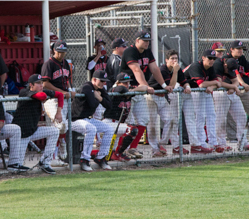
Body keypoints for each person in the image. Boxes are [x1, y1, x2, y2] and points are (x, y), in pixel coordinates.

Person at [120, 29, 171, 159]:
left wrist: (164, 85)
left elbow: (154, 68)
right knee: (128, 122)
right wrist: (146, 86)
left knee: (143, 120)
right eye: (145, 40)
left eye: (148, 41)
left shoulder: (147, 51)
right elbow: (136, 70)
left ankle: (132, 148)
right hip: (127, 90)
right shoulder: (130, 51)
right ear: (137, 40)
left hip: (139, 91)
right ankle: (120, 150)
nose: (147, 43)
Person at [10, 74, 61, 174]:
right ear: (31, 85)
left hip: (33, 130)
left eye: (42, 83)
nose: (41, 85)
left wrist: (59, 111)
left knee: (54, 131)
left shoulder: (41, 90)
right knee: (16, 167)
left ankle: (45, 163)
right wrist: (46, 96)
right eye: (38, 83)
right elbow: (41, 96)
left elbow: (60, 95)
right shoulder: (24, 91)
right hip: (21, 134)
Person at [182, 49, 227, 154]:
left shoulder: (210, 68)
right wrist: (214, 83)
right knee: (200, 117)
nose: (212, 61)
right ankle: (201, 143)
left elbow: (216, 83)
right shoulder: (196, 66)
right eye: (209, 58)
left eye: (213, 59)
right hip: (186, 91)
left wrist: (212, 86)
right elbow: (201, 84)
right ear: (203, 58)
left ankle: (213, 142)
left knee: (212, 115)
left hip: (201, 91)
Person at [71, 71, 115, 171]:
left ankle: (101, 158)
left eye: (104, 81)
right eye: (101, 81)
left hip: (86, 119)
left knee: (109, 129)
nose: (103, 84)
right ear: (94, 79)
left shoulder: (100, 89)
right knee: (91, 129)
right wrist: (98, 98)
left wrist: (99, 97)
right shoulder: (87, 87)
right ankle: (84, 160)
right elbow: (92, 104)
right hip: (74, 120)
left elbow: (109, 105)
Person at [209, 52, 247, 152]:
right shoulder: (218, 64)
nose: (229, 72)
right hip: (220, 92)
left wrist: (233, 87)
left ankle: (243, 142)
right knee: (221, 119)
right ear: (225, 65)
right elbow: (219, 83)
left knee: (242, 116)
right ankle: (220, 143)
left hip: (230, 93)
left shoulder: (231, 63)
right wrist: (233, 87)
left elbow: (235, 80)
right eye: (228, 69)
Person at [151, 50, 184, 157]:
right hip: (150, 97)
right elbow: (171, 86)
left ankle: (161, 143)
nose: (174, 60)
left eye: (176, 58)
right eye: (172, 58)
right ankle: (155, 149)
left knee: (170, 119)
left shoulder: (176, 69)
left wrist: (176, 72)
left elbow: (183, 81)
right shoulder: (163, 69)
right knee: (152, 125)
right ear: (166, 60)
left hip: (161, 97)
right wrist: (175, 71)